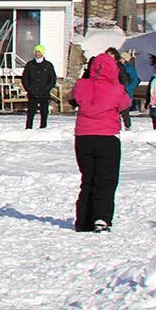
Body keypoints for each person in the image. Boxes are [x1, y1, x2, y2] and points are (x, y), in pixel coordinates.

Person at [70, 50, 131, 233]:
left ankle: (83, 220)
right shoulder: (116, 88)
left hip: (83, 138)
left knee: (88, 179)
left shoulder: (81, 85)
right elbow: (125, 103)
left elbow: (74, 98)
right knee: (106, 180)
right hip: (107, 138)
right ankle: (101, 218)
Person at [20, 45, 57, 129]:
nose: (37, 53)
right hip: (32, 93)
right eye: (36, 51)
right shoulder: (30, 65)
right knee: (31, 112)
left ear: (42, 53)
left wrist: (46, 89)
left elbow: (52, 79)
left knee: (44, 112)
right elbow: (25, 78)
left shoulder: (48, 65)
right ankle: (28, 128)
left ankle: (43, 127)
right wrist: (29, 89)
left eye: (39, 52)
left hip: (44, 93)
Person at [115, 49, 140, 130]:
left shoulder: (129, 68)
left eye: (122, 58)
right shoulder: (117, 66)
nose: (120, 60)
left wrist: (127, 88)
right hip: (118, 91)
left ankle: (127, 126)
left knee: (125, 110)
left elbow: (135, 80)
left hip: (126, 92)